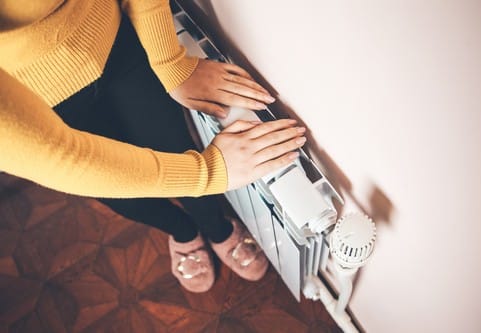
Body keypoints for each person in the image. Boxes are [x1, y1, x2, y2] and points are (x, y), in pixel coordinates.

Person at [0, 0, 307, 292]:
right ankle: (182, 232)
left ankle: (217, 228)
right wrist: (208, 173)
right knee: (123, 197)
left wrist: (171, 64)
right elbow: (58, 159)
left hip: (116, 39)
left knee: (174, 146)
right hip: (35, 103)